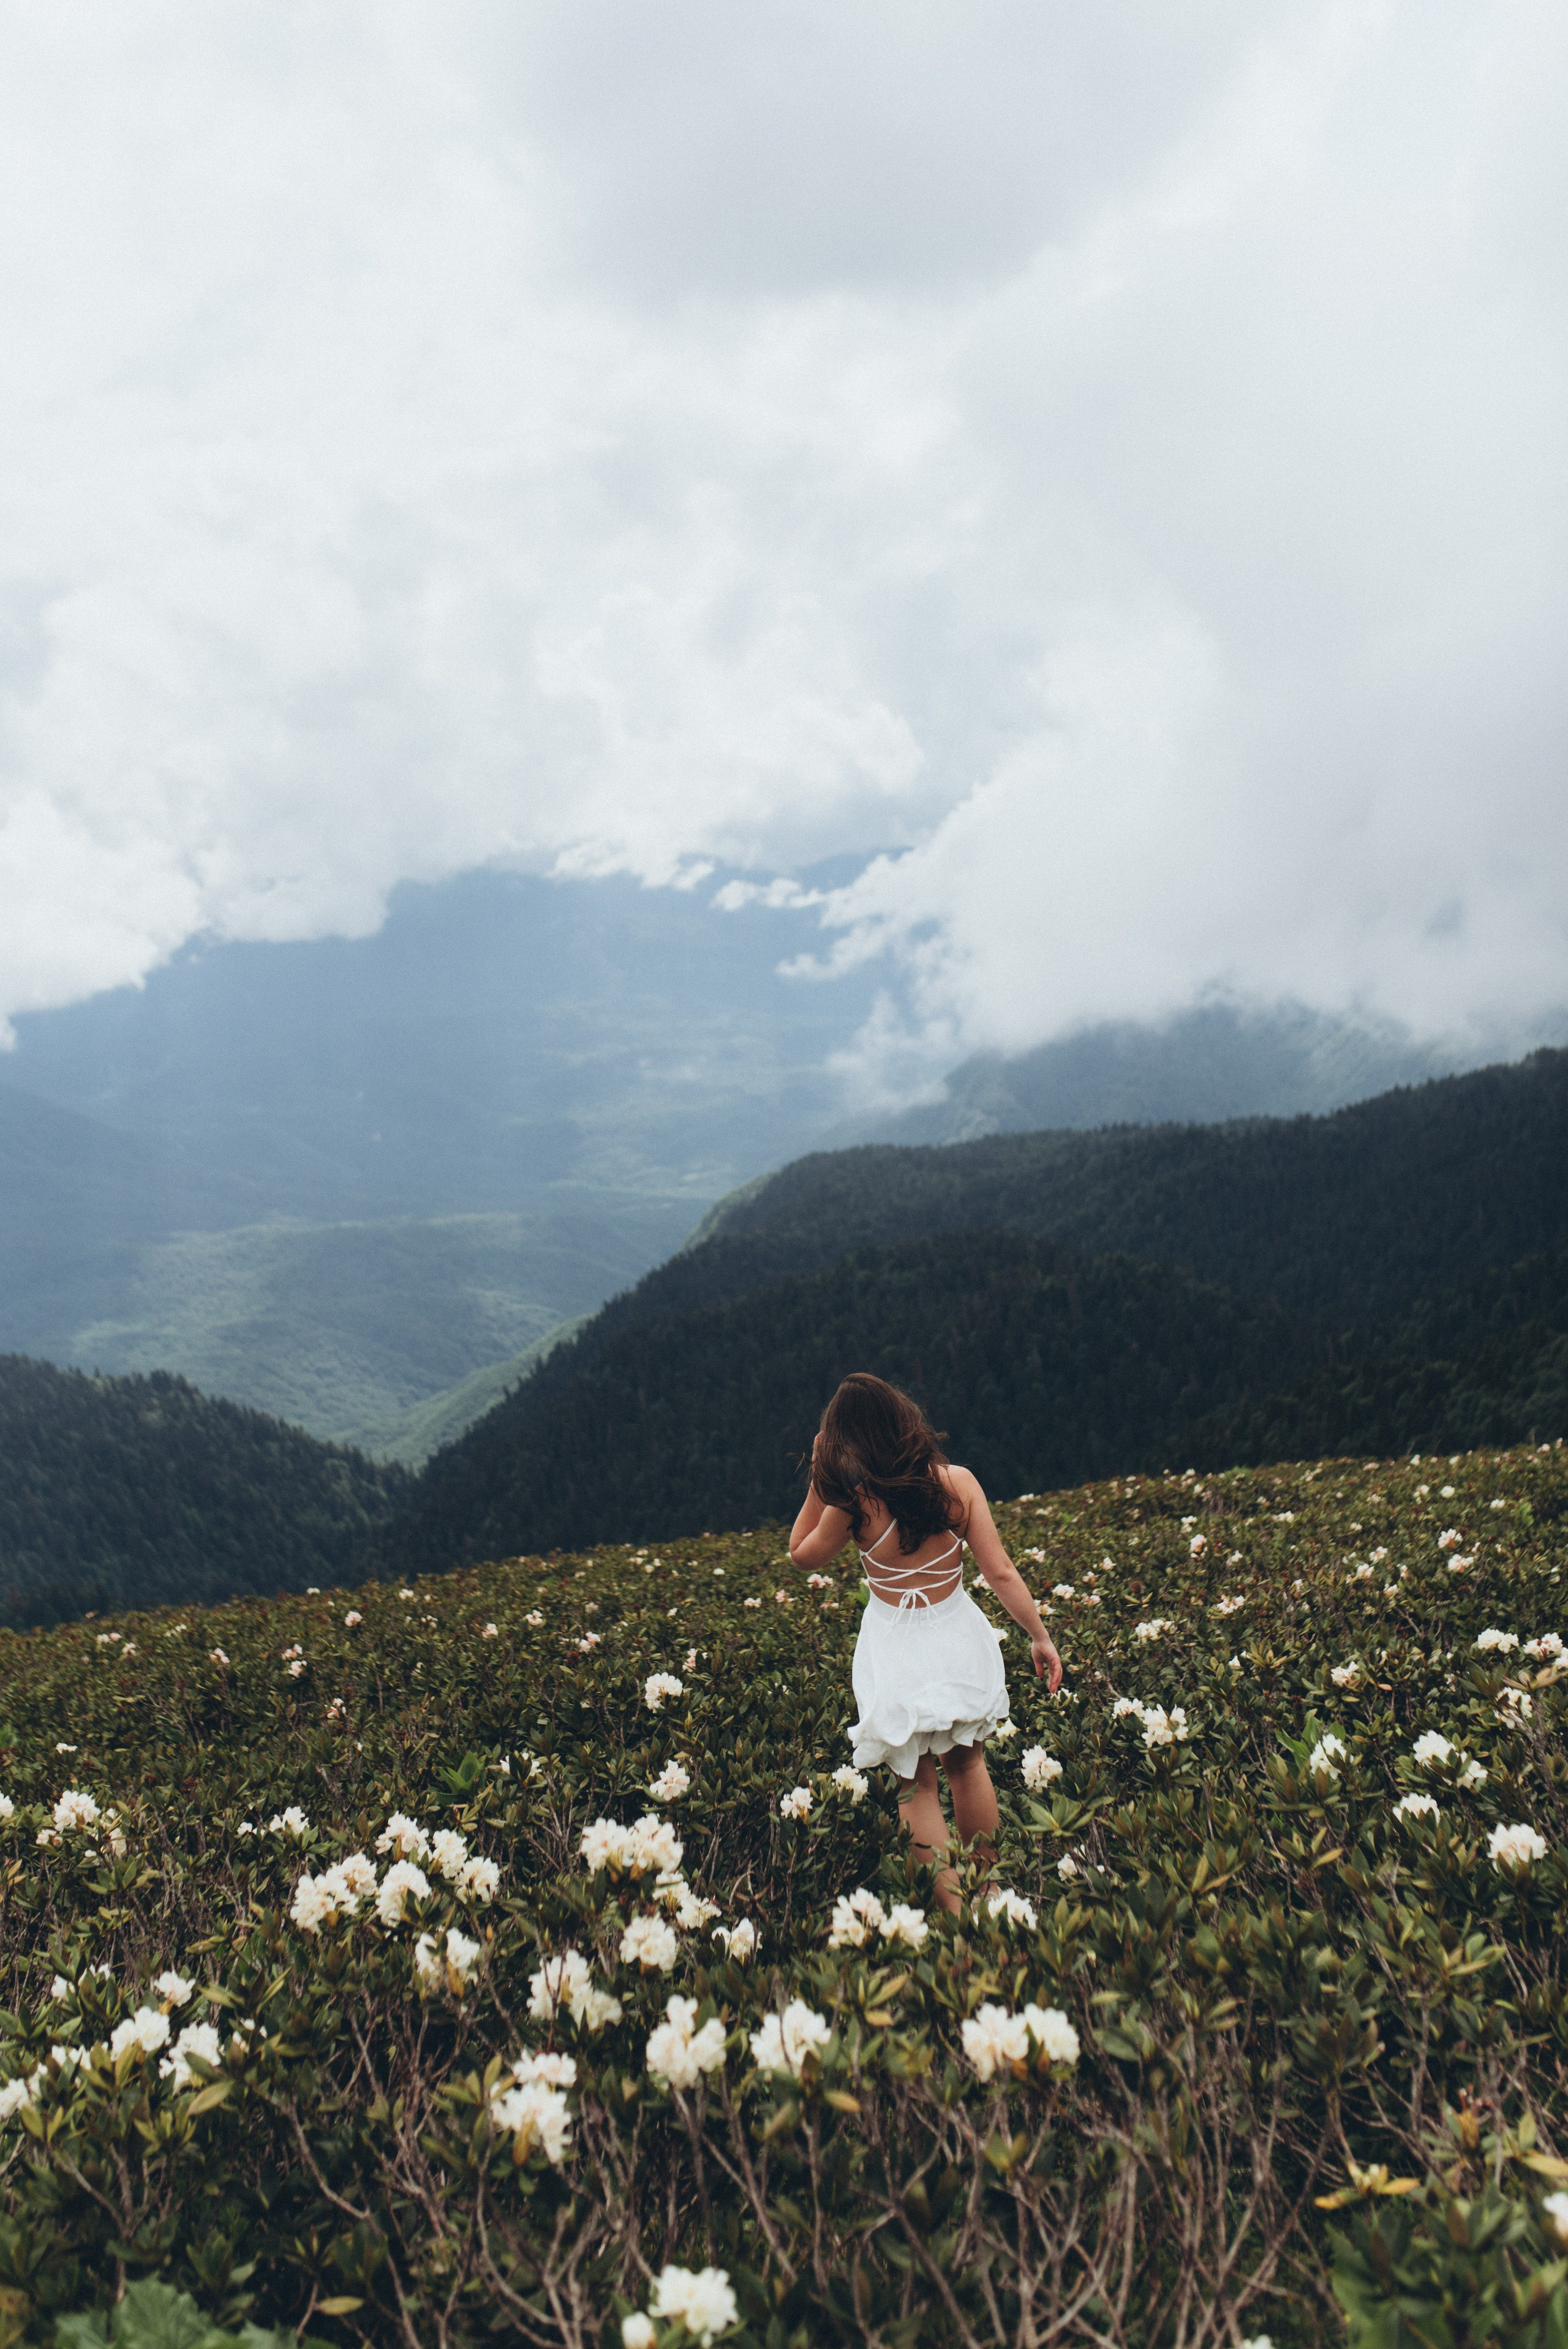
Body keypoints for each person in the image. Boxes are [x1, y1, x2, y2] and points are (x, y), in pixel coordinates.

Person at [788, 1371, 1062, 1914]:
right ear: (902, 1420)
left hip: (895, 1648)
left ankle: (957, 1915)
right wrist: (1040, 1636)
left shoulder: (853, 1504)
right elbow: (1002, 1572)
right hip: (955, 1635)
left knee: (916, 1787)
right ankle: (988, 1894)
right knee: (969, 1766)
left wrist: (823, 1477)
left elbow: (800, 1552)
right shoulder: (958, 1484)